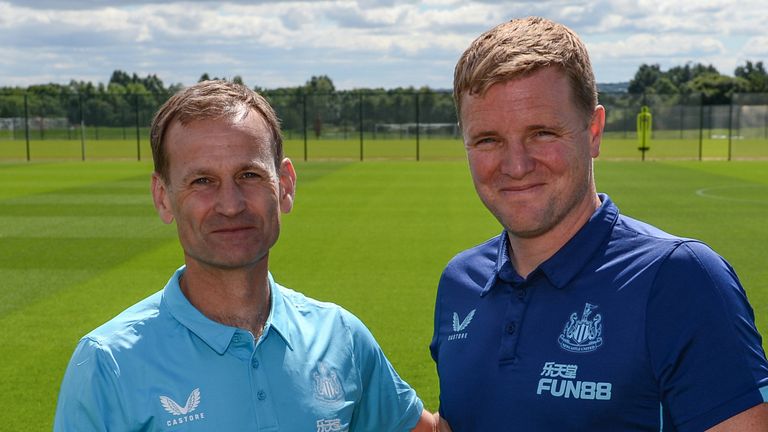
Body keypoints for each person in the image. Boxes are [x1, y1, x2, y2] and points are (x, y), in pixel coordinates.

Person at [429, 17, 768, 431]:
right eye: (488, 140)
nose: (516, 165)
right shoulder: (459, 283)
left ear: (593, 131)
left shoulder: (678, 279)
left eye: (542, 133)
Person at [55, 80, 438, 431]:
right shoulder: (108, 364)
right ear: (163, 197)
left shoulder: (340, 336)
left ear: (284, 185)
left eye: (249, 175)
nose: (230, 204)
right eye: (202, 181)